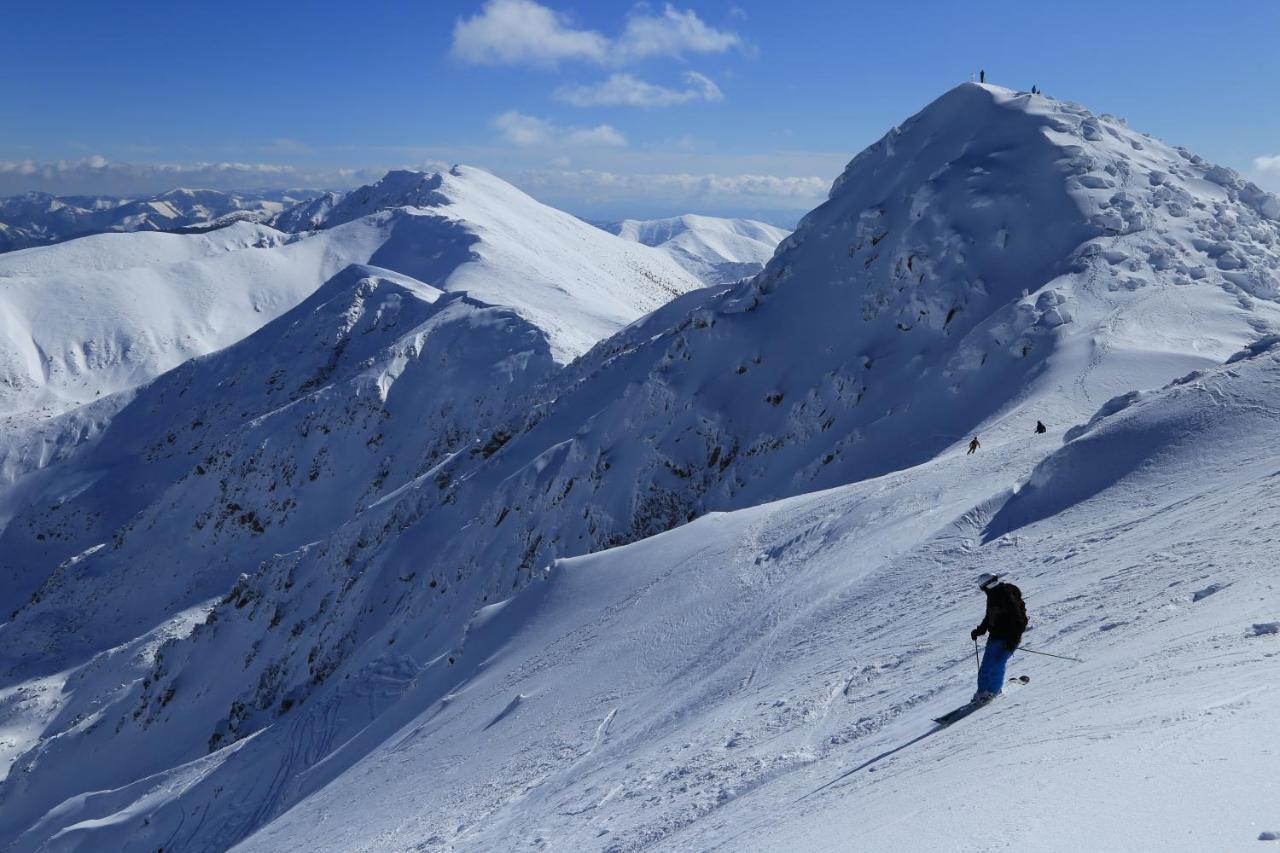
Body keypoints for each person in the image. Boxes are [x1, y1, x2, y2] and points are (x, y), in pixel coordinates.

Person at [970, 573, 1028, 703]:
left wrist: (1013, 640)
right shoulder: (993, 596)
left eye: (983, 588)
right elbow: (990, 616)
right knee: (986, 666)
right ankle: (981, 693)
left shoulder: (1007, 595)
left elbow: (1019, 620)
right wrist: (979, 631)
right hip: (995, 637)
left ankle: (992, 692)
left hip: (1008, 639)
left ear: (987, 586)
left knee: (997, 664)